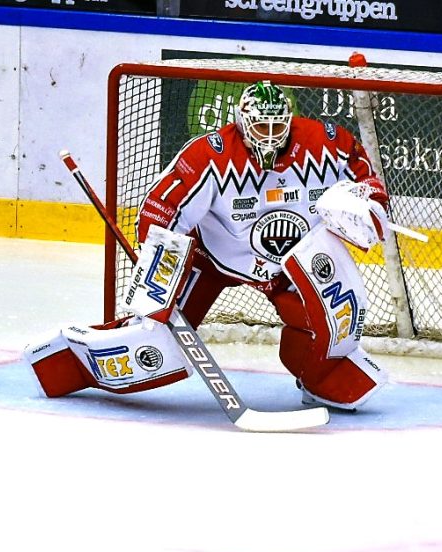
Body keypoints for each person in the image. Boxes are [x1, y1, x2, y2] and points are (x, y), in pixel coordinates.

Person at [25, 80, 388, 410]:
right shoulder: (209, 156)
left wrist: (370, 205)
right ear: (242, 123)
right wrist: (159, 267)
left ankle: (321, 376)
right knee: (152, 340)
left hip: (289, 263)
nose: (271, 136)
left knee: (328, 327)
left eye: (279, 126)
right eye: (261, 127)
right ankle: (72, 359)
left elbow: (366, 175)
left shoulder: (325, 141)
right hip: (211, 258)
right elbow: (160, 209)